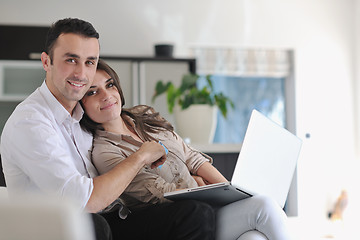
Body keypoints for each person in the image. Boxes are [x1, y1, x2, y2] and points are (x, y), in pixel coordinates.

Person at [0, 18, 215, 240]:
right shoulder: (31, 122)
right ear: (47, 62)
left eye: (90, 62)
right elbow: (85, 202)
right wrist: (142, 156)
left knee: (194, 214)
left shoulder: (82, 118)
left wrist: (190, 181)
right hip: (58, 229)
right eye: (71, 60)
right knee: (95, 225)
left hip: (109, 217)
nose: (81, 74)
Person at [80, 59, 294, 240]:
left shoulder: (145, 114)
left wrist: (230, 189)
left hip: (211, 202)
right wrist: (196, 185)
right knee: (264, 207)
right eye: (92, 92)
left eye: (109, 85)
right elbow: (158, 194)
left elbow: (192, 157)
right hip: (190, 218)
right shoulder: (104, 151)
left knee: (254, 237)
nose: (106, 95)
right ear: (82, 104)